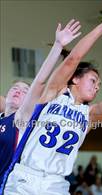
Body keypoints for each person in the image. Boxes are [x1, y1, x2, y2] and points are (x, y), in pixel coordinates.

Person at [4, 8, 102, 195]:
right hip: (24, 178)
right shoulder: (52, 96)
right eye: (93, 80)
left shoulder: (89, 115)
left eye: (99, 85)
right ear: (75, 79)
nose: (97, 87)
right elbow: (73, 60)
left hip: (56, 185)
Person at [0, 19, 81, 188]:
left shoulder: (21, 118)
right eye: (15, 87)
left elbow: (40, 81)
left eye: (24, 91)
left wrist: (58, 46)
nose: (18, 91)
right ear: (6, 95)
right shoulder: (2, 119)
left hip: (11, 187)